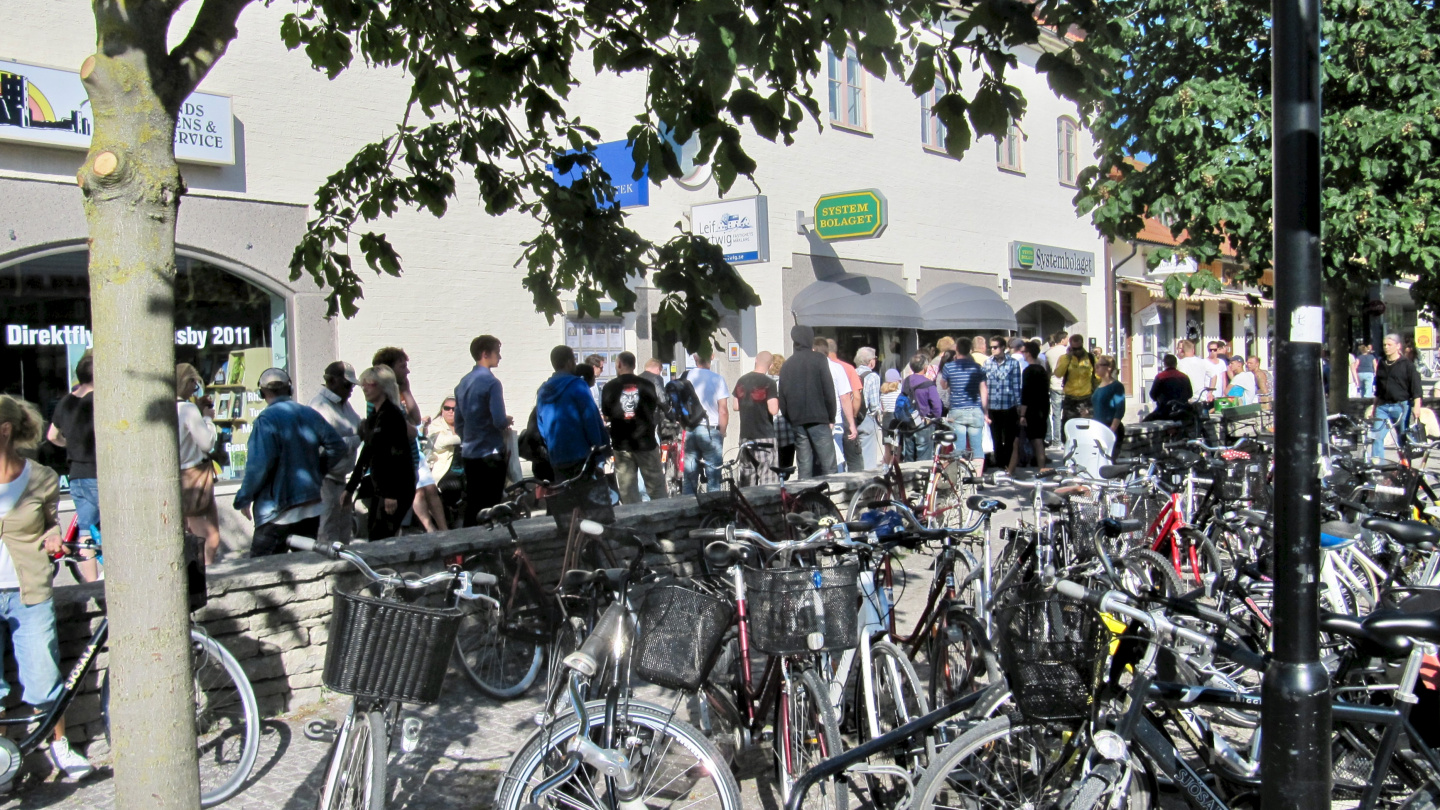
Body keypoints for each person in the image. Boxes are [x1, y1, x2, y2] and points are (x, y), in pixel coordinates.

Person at [0, 395, 94, 779]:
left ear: (5, 431)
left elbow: (51, 523)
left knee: (43, 675)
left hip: (29, 591)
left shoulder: (41, 478)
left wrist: (55, 536)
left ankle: (60, 748)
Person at [235, 368, 348, 556]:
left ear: (263, 393)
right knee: (306, 566)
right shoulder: (309, 414)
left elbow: (258, 467)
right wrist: (318, 470)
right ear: (290, 389)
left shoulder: (265, 420)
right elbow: (338, 446)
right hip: (310, 507)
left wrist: (244, 497)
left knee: (263, 572)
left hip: (277, 513)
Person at [372, 347, 446, 533]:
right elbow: (406, 432)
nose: (407, 371)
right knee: (388, 524)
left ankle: (442, 530)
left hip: (410, 462)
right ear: (388, 370)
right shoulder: (379, 397)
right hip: (394, 469)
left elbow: (416, 419)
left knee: (426, 492)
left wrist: (407, 389)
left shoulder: (399, 394)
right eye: (402, 366)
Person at [535, 346, 611, 521]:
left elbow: (541, 425)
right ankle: (591, 544)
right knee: (589, 505)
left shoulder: (544, 390)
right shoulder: (577, 385)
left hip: (557, 455)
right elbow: (590, 418)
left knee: (567, 505)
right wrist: (599, 447)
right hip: (581, 455)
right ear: (570, 362)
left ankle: (571, 541)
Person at [347, 365, 418, 541]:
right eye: (363, 384)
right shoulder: (374, 417)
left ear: (383, 386)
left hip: (395, 488)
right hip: (381, 488)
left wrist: (391, 494)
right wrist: (350, 487)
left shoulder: (392, 415)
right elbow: (367, 453)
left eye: (369, 384)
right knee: (375, 534)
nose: (364, 388)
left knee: (382, 537)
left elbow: (397, 454)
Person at [46, 353, 98, 581]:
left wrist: (70, 444)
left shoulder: (67, 401)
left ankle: (92, 584)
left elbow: (52, 436)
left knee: (86, 532)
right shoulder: (100, 400)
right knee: (115, 529)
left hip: (76, 474)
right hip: (100, 475)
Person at [454, 335, 510, 525]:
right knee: (491, 505)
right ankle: (489, 550)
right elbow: (499, 420)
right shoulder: (492, 383)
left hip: (470, 453)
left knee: (474, 504)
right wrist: (506, 421)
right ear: (485, 354)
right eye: (497, 352)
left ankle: (470, 548)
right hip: (490, 453)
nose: (500, 357)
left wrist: (468, 438)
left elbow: (459, 422)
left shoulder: (463, 382)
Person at [308, 361, 363, 545]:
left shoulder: (343, 404)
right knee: (327, 531)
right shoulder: (320, 406)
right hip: (326, 480)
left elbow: (358, 426)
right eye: (347, 385)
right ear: (331, 381)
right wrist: (357, 438)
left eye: (352, 386)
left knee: (344, 532)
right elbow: (326, 446)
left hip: (341, 479)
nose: (351, 390)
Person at [602, 352, 666, 503]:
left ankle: (634, 524)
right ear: (634, 365)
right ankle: (663, 522)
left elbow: (606, 415)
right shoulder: (647, 385)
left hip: (622, 445)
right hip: (646, 442)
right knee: (657, 490)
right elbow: (652, 410)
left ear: (618, 364)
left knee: (628, 493)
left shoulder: (609, 387)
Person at [778, 325, 838, 478]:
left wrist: (790, 418)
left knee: (804, 468)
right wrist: (831, 416)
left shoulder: (787, 365)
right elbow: (828, 390)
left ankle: (803, 499)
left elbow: (782, 398)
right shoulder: (819, 359)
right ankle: (831, 499)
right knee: (829, 467)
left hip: (797, 421)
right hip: (818, 418)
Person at [176, 363, 221, 564]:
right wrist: (207, 419)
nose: (195, 390)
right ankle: (208, 581)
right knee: (209, 537)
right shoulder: (186, 409)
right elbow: (207, 443)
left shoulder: (165, 408)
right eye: (194, 385)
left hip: (177, 477)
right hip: (195, 478)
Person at [938, 337, 989, 476]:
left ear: (957, 350)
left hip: (957, 410)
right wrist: (985, 412)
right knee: (977, 447)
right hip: (975, 409)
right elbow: (984, 390)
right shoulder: (978, 368)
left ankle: (960, 477)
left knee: (959, 447)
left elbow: (943, 385)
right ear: (970, 350)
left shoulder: (949, 367)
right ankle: (978, 478)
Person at [1372, 333, 1425, 458]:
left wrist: (1417, 406)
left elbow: (1416, 388)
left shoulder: (1407, 365)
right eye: (1384, 345)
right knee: (1376, 436)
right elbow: (1378, 389)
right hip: (1383, 406)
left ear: (1398, 346)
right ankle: (1377, 468)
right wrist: (1374, 407)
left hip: (1401, 406)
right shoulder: (1382, 364)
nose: (1386, 347)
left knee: (1403, 439)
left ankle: (1405, 467)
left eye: (1389, 345)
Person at [682, 353, 729, 494]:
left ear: (695, 358)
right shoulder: (717, 379)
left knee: (689, 479)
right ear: (712, 356)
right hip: (710, 430)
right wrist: (722, 431)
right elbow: (723, 411)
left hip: (690, 429)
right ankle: (713, 513)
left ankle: (687, 511)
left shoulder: (686, 377)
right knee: (714, 479)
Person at [731, 351, 780, 486]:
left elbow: (735, 406)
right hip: (764, 436)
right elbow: (773, 409)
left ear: (756, 360)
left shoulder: (741, 380)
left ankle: (747, 505)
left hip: (745, 436)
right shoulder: (769, 383)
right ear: (770, 366)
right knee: (768, 478)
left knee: (747, 480)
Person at [983, 335, 1022, 470]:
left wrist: (1019, 405)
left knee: (1010, 437)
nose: (992, 349)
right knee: (996, 437)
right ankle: (1000, 463)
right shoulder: (987, 363)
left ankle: (1008, 463)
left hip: (1008, 405)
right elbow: (984, 386)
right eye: (991, 347)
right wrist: (984, 408)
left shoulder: (1013, 363)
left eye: (995, 347)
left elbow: (1016, 385)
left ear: (1003, 348)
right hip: (993, 405)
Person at [827, 340, 865, 472]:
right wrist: (853, 417)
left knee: (835, 455)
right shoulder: (847, 368)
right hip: (846, 412)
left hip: (830, 416)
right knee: (854, 457)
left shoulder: (824, 367)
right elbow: (857, 396)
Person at [820, 337, 857, 472]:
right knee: (838, 459)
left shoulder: (809, 368)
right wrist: (851, 423)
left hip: (817, 421)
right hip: (836, 420)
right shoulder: (837, 368)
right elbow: (845, 397)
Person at [427, 398, 463, 523]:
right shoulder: (435, 425)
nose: (450, 411)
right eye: (447, 408)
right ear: (442, 410)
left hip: (465, 466)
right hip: (445, 468)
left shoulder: (464, 423)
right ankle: (450, 515)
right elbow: (442, 442)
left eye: (454, 409)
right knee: (452, 486)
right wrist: (470, 436)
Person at [901, 353, 943, 461]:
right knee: (924, 454)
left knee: (909, 455)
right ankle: (922, 476)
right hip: (924, 422)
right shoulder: (928, 384)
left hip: (908, 421)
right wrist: (935, 417)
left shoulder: (906, 381)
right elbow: (937, 406)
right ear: (925, 367)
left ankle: (909, 476)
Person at [1016, 342, 1050, 474]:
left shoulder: (1028, 371)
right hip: (1043, 406)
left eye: (1024, 352)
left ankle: (1042, 470)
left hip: (1032, 409)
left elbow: (1026, 394)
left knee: (1036, 440)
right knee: (1039, 439)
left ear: (1028, 353)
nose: (1022, 354)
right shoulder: (1042, 369)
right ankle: (1041, 467)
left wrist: (1022, 414)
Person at [1053, 334, 1097, 429]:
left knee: (1085, 426)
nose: (1077, 351)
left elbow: (1097, 377)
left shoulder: (1090, 358)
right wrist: (1068, 358)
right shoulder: (1064, 358)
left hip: (1086, 397)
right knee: (1068, 426)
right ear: (1070, 346)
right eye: (1074, 349)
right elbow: (1058, 374)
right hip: (1070, 398)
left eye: (1079, 348)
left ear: (1082, 344)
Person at [853, 347, 883, 471]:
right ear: (871, 361)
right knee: (868, 454)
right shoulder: (873, 377)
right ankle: (867, 481)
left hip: (853, 416)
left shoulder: (852, 373)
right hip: (867, 417)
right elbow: (874, 404)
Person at [769, 354, 795, 469]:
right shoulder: (789, 383)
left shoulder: (765, 383)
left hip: (769, 430)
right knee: (785, 467)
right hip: (787, 430)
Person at [1092, 356, 1127, 443]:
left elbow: (1120, 410)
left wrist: (1112, 430)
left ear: (1109, 368)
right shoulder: (1098, 386)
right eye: (1096, 365)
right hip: (1097, 428)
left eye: (1099, 365)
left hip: (1110, 428)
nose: (1096, 368)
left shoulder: (1116, 386)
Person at [1044, 331, 1068, 443]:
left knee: (1056, 413)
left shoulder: (1049, 353)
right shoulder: (1068, 351)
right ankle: (1066, 437)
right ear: (1063, 340)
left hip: (1054, 384)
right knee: (1067, 412)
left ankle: (1056, 439)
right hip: (1067, 384)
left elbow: (1047, 370)